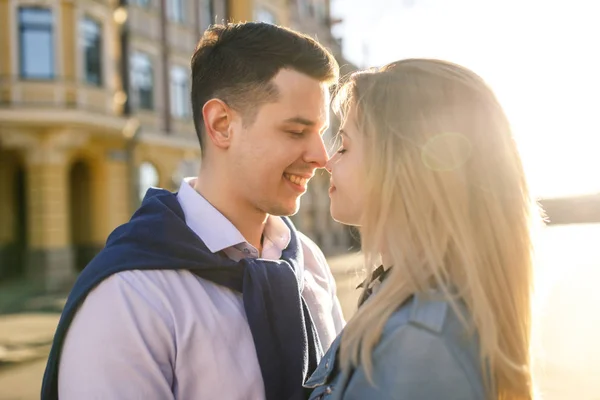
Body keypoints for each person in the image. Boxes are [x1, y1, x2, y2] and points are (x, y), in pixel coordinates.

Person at [41, 22, 345, 400]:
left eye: (322, 133)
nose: (321, 156)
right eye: (297, 132)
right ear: (221, 125)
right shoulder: (130, 299)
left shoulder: (308, 261)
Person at [304, 59, 538, 399]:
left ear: (401, 168)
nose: (327, 160)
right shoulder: (406, 307)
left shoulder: (418, 348)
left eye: (345, 145)